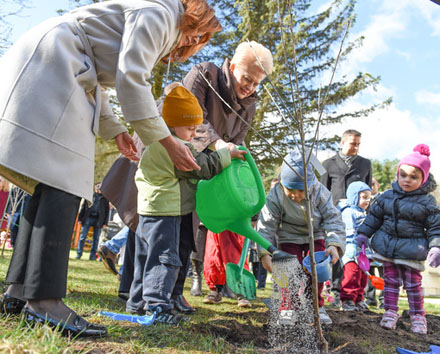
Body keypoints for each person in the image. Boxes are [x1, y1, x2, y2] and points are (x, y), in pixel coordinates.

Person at [0, 0, 221, 337]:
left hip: (58, 61)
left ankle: (18, 292)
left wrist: (116, 129)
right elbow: (132, 78)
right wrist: (165, 140)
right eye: (197, 38)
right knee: (64, 179)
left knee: (49, 181)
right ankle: (44, 301)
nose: (187, 46)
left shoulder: (153, 14)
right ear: (195, 32)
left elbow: (101, 81)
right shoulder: (161, 15)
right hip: (59, 61)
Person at [126, 83, 246, 324]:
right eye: (190, 128)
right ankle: (158, 306)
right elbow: (203, 166)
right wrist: (227, 155)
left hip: (148, 212)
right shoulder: (174, 148)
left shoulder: (153, 143)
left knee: (145, 257)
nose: (193, 134)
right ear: (172, 125)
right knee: (164, 258)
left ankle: (137, 302)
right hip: (166, 212)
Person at [182, 41, 273, 302]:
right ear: (232, 67)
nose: (250, 87)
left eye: (256, 83)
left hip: (214, 169)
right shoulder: (204, 75)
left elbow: (239, 138)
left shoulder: (250, 104)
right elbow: (193, 117)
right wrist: (220, 144)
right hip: (182, 157)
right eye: (247, 79)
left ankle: (204, 285)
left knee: (214, 227)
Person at [357, 144, 440, 334]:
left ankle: (418, 316)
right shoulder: (387, 196)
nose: (407, 180)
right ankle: (390, 312)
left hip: (412, 249)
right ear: (397, 174)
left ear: (424, 178)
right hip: (388, 248)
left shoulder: (427, 202)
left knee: (413, 284)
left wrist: (436, 247)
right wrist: (363, 234)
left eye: (413, 177)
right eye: (403, 175)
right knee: (391, 282)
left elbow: (435, 227)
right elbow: (374, 218)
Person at [257, 151, 346, 325]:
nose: (295, 195)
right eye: (290, 189)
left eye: (300, 190)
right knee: (289, 271)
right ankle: (288, 307)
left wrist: (334, 244)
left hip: (316, 234)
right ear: (283, 184)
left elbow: (333, 219)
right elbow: (266, 225)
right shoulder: (276, 195)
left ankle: (316, 307)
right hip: (288, 235)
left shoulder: (320, 192)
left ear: (310, 185)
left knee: (317, 271)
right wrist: (263, 252)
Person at [320, 129, 372, 307]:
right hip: (335, 215)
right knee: (337, 252)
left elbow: (368, 189)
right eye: (352, 143)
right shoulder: (327, 164)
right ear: (343, 143)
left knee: (357, 258)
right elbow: (322, 190)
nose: (356, 146)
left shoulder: (365, 164)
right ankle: (335, 292)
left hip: (356, 219)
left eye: (358, 143)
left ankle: (357, 296)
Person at [337, 181, 371, 311]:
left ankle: (359, 299)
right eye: (364, 197)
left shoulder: (364, 213)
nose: (367, 200)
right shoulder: (349, 212)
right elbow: (349, 231)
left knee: (363, 277)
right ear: (354, 197)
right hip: (351, 251)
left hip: (362, 252)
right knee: (352, 275)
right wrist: (352, 247)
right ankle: (347, 299)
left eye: (369, 197)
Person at [364, 176, 384, 309]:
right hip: (368, 241)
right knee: (369, 271)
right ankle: (370, 299)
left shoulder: (383, 199)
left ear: (378, 185)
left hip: (381, 240)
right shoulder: (362, 200)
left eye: (373, 184)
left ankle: (384, 299)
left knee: (384, 271)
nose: (371, 187)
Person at [76, 183, 110, 260]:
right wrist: (80, 219)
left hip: (99, 220)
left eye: (101, 187)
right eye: (98, 186)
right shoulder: (90, 195)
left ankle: (92, 256)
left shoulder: (105, 199)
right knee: (82, 237)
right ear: (95, 187)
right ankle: (79, 254)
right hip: (88, 218)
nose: (99, 188)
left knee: (96, 239)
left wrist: (105, 223)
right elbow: (83, 207)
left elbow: (107, 212)